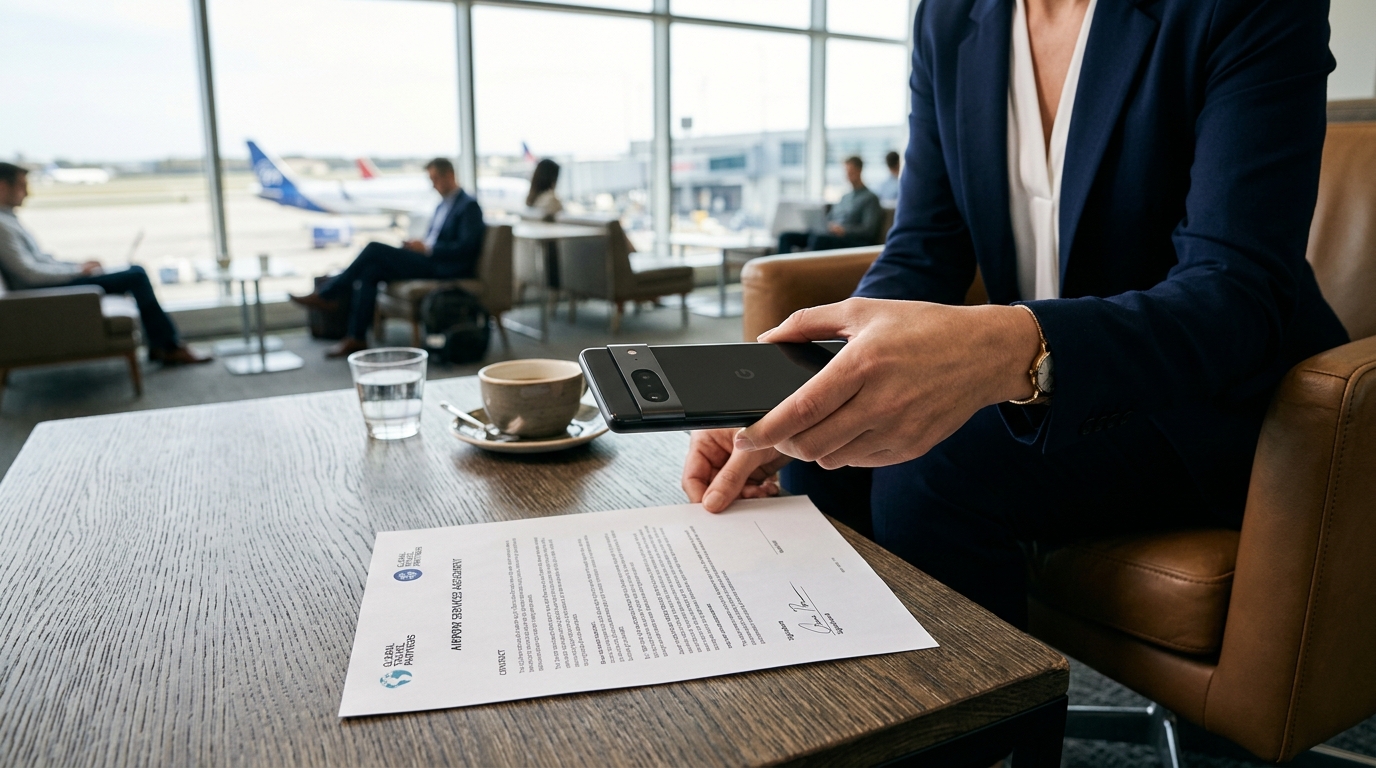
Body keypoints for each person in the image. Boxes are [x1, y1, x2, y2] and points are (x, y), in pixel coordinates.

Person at [681, 0, 1347, 629]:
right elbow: (923, 250)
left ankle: (984, 710)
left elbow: (1234, 294)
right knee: (820, 457)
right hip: (1045, 394)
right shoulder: (950, 16)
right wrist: (804, 386)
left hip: (1213, 401)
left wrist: (1011, 346)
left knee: (931, 472)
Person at [0, 162, 211, 365]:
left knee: (132, 272)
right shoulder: (2, 225)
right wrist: (77, 272)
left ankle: (162, 346)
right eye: (22, 186)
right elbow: (29, 274)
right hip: (44, 292)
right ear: (2, 186)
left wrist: (78, 267)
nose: (27, 193)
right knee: (136, 275)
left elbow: (41, 260)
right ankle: (169, 347)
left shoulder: (9, 219)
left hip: (49, 286)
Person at [290, 158, 486, 358]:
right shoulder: (441, 205)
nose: (433, 185)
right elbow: (436, 238)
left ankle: (329, 294)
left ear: (450, 175)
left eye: (435, 179)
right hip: (430, 259)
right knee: (371, 272)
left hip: (446, 266)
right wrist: (418, 245)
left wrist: (429, 248)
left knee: (374, 248)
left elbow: (466, 248)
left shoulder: (468, 205)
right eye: (430, 179)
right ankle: (356, 337)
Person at [776, 156, 882, 253]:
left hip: (850, 239)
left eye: (850, 172)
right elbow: (829, 218)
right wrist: (823, 225)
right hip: (830, 234)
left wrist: (844, 230)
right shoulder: (845, 197)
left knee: (818, 239)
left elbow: (869, 230)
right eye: (846, 172)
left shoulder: (871, 198)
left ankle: (807, 268)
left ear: (859, 171)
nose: (847, 175)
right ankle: (782, 268)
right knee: (786, 237)